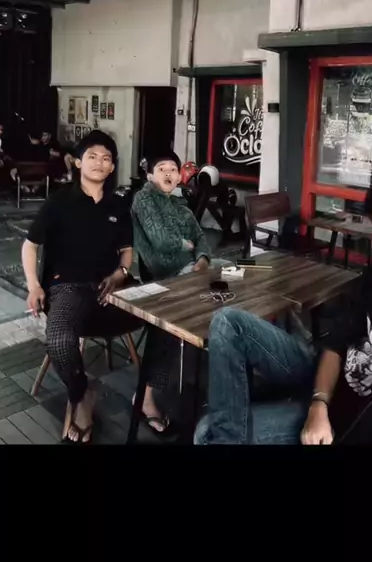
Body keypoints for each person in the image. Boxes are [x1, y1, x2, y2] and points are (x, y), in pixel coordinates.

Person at [194, 177, 372, 445]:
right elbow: (336, 344)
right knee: (228, 321)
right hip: (320, 385)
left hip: (346, 422)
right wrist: (319, 402)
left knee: (207, 432)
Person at [21, 131, 138, 445]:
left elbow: (127, 252)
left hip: (110, 290)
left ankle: (151, 398)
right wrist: (34, 286)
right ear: (77, 162)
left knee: (164, 318)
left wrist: (120, 274)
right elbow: (30, 246)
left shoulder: (118, 205)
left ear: (112, 167)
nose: (99, 162)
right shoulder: (59, 202)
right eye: (92, 156)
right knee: (60, 340)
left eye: (106, 158)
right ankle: (81, 394)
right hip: (68, 289)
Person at [131, 150, 232, 434]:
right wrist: (187, 246)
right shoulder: (144, 198)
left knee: (239, 275)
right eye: (161, 168)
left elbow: (200, 238)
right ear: (149, 175)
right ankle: (147, 398)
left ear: (180, 176)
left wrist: (202, 259)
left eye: (173, 169)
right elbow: (161, 241)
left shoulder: (181, 205)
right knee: (218, 296)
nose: (168, 173)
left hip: (191, 270)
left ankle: (223, 373)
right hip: (164, 280)